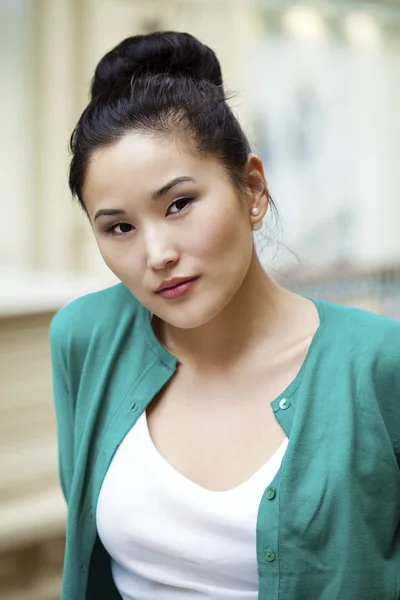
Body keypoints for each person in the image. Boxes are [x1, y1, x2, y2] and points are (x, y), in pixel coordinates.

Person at [50, 31, 400, 600]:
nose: (156, 253)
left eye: (179, 204)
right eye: (119, 227)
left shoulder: (380, 365)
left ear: (252, 188)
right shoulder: (84, 339)